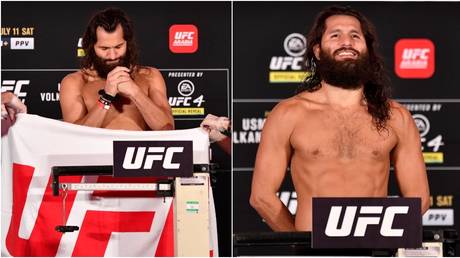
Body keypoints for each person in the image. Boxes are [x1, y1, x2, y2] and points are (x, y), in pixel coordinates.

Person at [250, 6, 429, 232]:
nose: (347, 42)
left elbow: (419, 197)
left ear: (367, 49)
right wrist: (302, 242)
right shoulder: (289, 114)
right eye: (335, 35)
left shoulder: (396, 117)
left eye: (355, 35)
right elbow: (261, 196)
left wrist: (385, 238)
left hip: (375, 250)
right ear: (317, 50)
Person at [60, 7, 174, 131]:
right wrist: (106, 97)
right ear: (91, 47)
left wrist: (135, 92)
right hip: (98, 150)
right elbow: (73, 138)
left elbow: (167, 129)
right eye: (104, 49)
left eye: (118, 47)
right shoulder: (75, 82)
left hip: (137, 150)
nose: (113, 56)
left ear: (128, 43)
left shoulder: (150, 76)